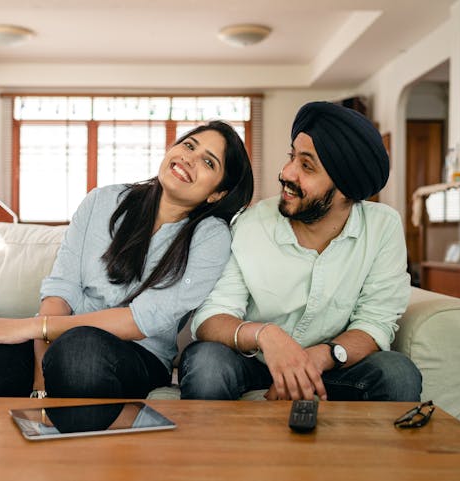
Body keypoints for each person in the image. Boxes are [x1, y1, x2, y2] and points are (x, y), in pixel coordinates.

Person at [0, 120, 254, 399]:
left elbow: (141, 321)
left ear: (218, 194)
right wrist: (41, 377)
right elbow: (62, 289)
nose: (189, 158)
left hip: (135, 355)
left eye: (208, 162)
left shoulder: (211, 237)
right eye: (189, 145)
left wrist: (30, 327)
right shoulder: (103, 201)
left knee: (80, 353)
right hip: (56, 340)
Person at [179, 101, 422, 403]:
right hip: (253, 361)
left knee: (398, 374)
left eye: (306, 166)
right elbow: (213, 316)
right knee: (207, 364)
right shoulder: (251, 224)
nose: (286, 172)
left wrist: (315, 360)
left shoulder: (382, 227)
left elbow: (375, 322)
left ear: (346, 188)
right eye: (292, 156)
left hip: (331, 365)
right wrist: (267, 336)